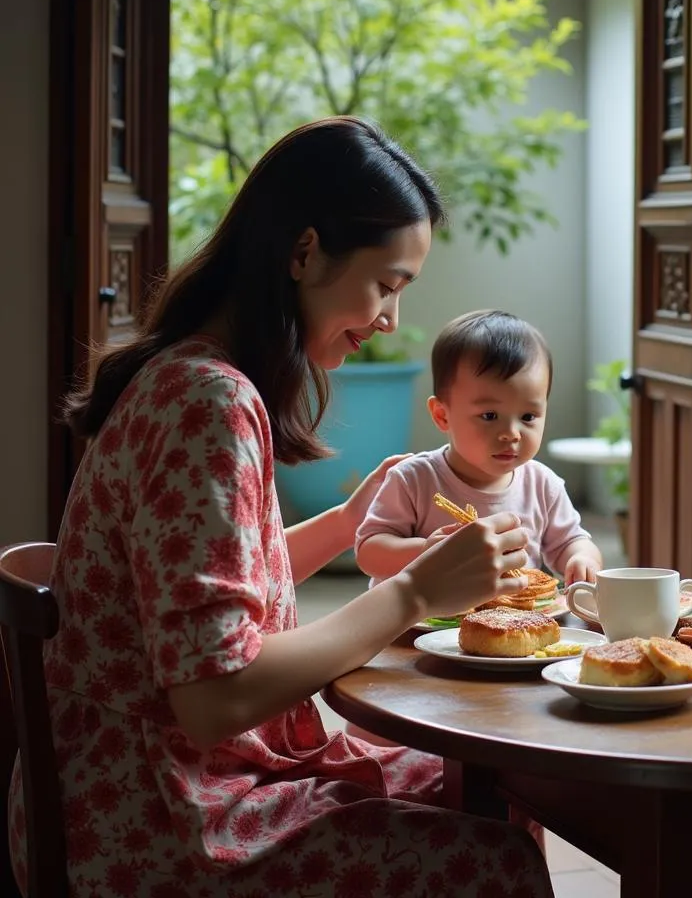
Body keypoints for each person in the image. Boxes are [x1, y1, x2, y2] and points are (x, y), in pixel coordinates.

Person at [6, 117, 555, 898]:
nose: (391, 320)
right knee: (495, 858)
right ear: (304, 253)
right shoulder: (208, 401)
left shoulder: (188, 372)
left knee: (481, 790)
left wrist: (342, 525)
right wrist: (418, 592)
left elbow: (200, 593)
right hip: (154, 822)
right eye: (385, 285)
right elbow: (213, 696)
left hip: (120, 791)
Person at [355, 310, 604, 590]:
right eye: (489, 416)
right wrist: (426, 550)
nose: (511, 434)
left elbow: (571, 541)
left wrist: (582, 559)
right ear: (442, 415)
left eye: (528, 417)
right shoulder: (414, 480)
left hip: (509, 624)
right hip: (418, 624)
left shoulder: (542, 485)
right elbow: (369, 552)